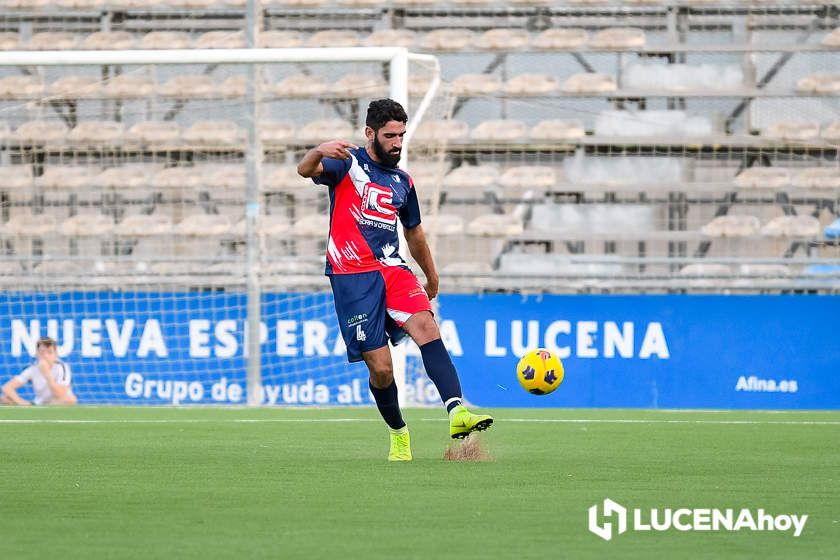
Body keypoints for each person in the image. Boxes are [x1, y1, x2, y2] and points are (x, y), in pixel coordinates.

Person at [297, 98, 493, 461]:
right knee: (382, 370)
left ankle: (457, 412)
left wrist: (431, 276)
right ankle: (399, 433)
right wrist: (318, 150)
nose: (398, 143)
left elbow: (414, 232)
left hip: (393, 269)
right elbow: (305, 170)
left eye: (402, 135)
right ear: (370, 133)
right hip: (352, 276)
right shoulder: (348, 162)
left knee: (427, 328)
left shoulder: (403, 181)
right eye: (390, 136)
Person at [1, 336, 77, 406]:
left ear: (56, 354)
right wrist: (21, 402)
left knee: (70, 399)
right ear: (37, 354)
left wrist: (47, 374)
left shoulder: (62, 367)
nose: (46, 356)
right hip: (38, 403)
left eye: (49, 352)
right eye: (42, 352)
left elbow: (60, 394)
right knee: (3, 399)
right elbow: (7, 388)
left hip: (56, 402)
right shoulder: (33, 368)